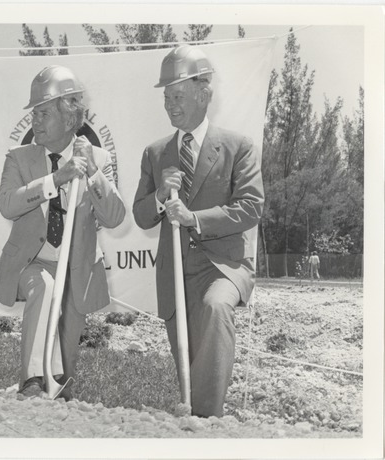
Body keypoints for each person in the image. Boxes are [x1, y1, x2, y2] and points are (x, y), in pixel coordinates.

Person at [132, 45, 264, 417]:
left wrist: (195, 218)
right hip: (174, 271)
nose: (170, 105)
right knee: (186, 357)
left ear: (204, 93)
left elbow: (252, 207)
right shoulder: (156, 153)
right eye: (166, 97)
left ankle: (207, 421)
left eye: (178, 96)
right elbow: (141, 216)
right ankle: (193, 418)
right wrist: (159, 196)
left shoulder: (238, 147)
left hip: (223, 266)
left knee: (217, 307)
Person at [0, 65, 125, 400]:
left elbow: (113, 217)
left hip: (78, 268)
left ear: (69, 118)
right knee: (46, 287)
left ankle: (52, 389)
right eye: (34, 114)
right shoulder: (19, 158)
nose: (35, 120)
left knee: (63, 377)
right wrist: (56, 179)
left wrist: (92, 172)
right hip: (32, 264)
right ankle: (32, 380)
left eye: (43, 113)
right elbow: (7, 205)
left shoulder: (98, 157)